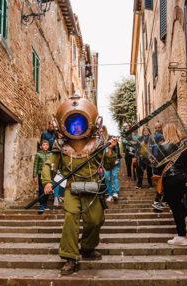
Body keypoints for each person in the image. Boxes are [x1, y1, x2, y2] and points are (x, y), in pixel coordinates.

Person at [41, 94, 118, 275]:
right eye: (72, 124)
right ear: (67, 125)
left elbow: (107, 165)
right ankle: (70, 257)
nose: (76, 128)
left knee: (96, 220)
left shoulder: (97, 143)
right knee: (71, 220)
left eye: (79, 124)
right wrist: (47, 182)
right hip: (71, 189)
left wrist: (110, 150)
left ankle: (87, 248)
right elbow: (49, 165)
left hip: (92, 187)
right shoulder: (60, 146)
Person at [155, 124, 187, 246]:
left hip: (171, 179)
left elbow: (158, 167)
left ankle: (182, 236)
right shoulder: (185, 147)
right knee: (178, 202)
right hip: (185, 179)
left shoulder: (162, 147)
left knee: (175, 206)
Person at [101, 125, 121, 202]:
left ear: (105, 131)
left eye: (102, 131)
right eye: (99, 131)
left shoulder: (111, 138)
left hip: (114, 160)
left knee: (115, 176)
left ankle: (115, 193)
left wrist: (117, 159)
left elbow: (116, 148)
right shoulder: (100, 140)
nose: (101, 132)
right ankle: (110, 194)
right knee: (107, 178)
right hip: (106, 162)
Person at [32, 139, 52, 213]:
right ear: (40, 146)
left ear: (48, 146)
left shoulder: (51, 154)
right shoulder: (38, 154)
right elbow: (35, 166)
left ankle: (45, 204)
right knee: (41, 189)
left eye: (47, 145)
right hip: (40, 174)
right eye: (44, 145)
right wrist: (34, 176)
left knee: (47, 189)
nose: (45, 146)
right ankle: (41, 204)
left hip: (48, 174)